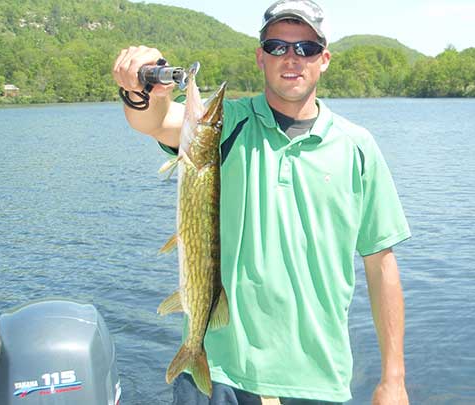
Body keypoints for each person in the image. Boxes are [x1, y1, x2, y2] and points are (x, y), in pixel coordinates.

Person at [112, 1, 411, 404]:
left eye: (305, 48)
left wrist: (393, 379)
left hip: (317, 379)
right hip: (220, 372)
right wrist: (140, 90)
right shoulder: (227, 125)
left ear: (324, 59)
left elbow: (381, 263)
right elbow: (153, 122)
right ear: (260, 57)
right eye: (277, 47)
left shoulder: (358, 147)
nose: (292, 58)